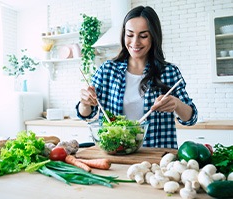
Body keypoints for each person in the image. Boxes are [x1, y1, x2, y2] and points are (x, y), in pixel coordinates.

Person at [75, 5, 198, 149]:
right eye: (130, 34)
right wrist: (85, 102)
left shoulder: (169, 72)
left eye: (143, 36)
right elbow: (87, 115)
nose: (135, 42)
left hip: (156, 157)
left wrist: (176, 104)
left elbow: (191, 118)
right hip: (116, 155)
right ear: (123, 34)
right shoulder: (107, 70)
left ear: (154, 36)